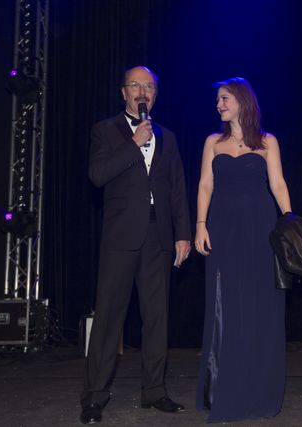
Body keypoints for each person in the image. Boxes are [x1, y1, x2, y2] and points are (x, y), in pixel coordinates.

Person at [80, 65, 191, 424]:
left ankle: (154, 391)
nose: (142, 92)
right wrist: (133, 143)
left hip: (159, 235)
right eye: (135, 85)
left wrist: (183, 233)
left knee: (156, 317)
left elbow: (177, 187)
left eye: (149, 87)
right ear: (124, 92)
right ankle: (94, 397)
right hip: (121, 237)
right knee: (109, 317)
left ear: (155, 95)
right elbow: (97, 175)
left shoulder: (168, 137)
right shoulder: (106, 130)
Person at [194, 77, 292, 422]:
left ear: (241, 100)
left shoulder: (267, 141)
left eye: (224, 98)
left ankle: (257, 390)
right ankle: (222, 387)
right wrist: (200, 225)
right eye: (218, 100)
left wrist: (290, 222)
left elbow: (278, 184)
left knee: (258, 303)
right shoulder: (212, 142)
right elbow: (205, 185)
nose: (219, 105)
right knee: (225, 302)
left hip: (259, 227)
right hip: (222, 227)